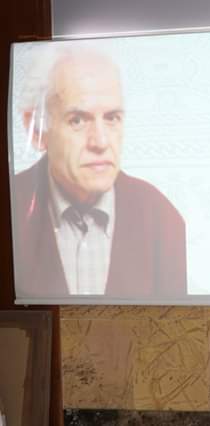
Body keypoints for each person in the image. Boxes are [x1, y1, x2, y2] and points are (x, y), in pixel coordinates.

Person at [13, 47, 187, 297]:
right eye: (77, 120)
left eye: (112, 118)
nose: (101, 142)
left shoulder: (162, 217)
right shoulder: (11, 207)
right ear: (37, 130)